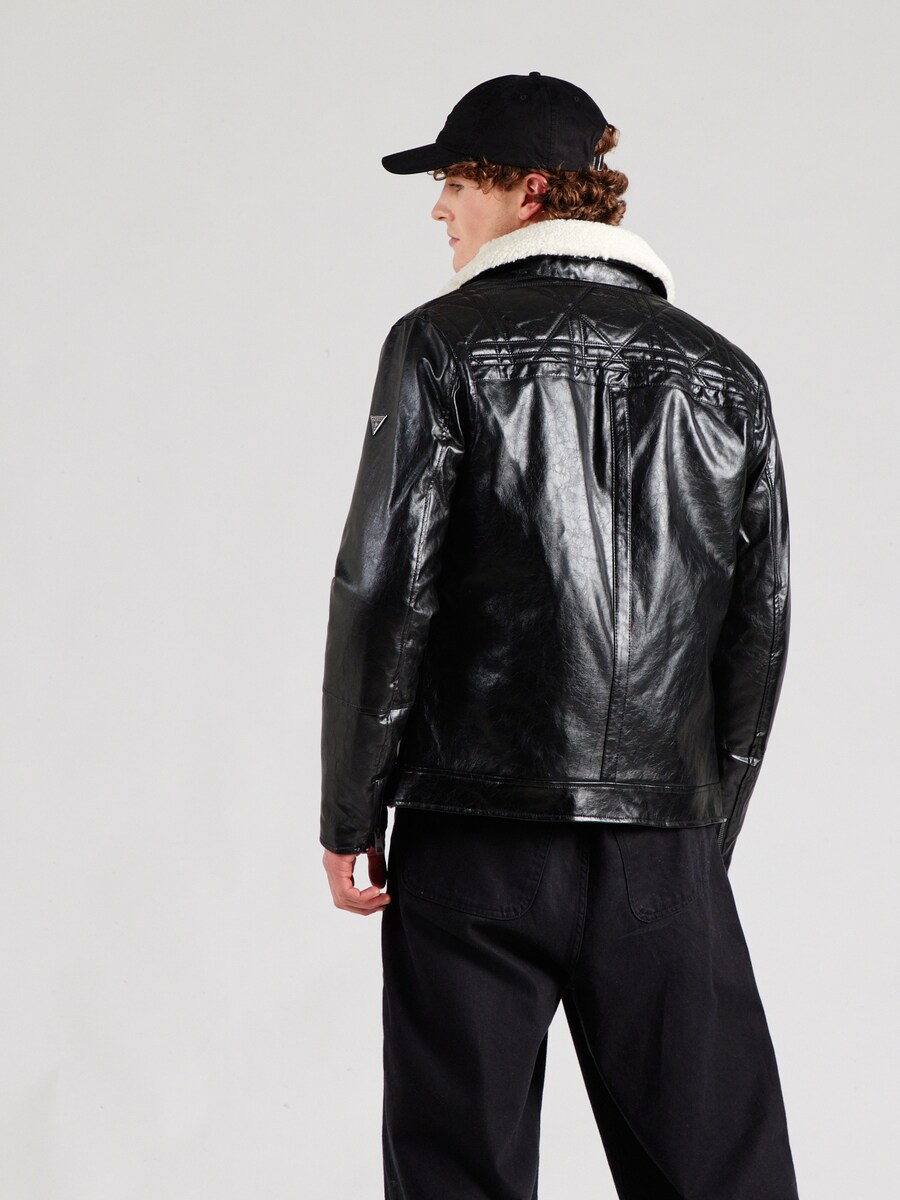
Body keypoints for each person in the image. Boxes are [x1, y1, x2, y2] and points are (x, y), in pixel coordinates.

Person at [319, 71, 800, 1200]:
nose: (440, 207)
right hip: (663, 846)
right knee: (721, 1175)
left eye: (458, 180)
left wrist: (350, 810)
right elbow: (760, 624)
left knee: (458, 1172)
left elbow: (384, 587)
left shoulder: (440, 344)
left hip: (474, 829)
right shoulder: (726, 375)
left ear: (530, 191)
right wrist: (700, 831)